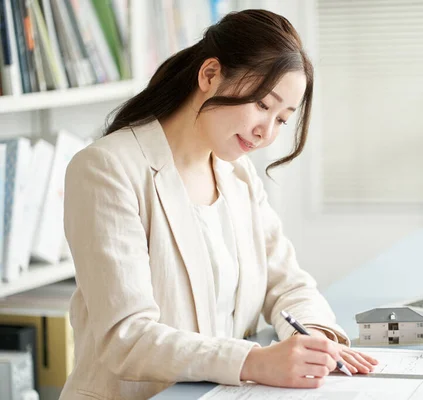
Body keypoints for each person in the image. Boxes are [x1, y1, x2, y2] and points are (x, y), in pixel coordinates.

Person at [60, 9, 377, 400]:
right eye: (263, 105)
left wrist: (316, 340)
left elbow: (287, 282)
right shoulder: (106, 169)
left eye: (282, 119)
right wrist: (255, 362)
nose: (266, 133)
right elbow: (127, 337)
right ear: (210, 75)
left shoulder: (237, 175)